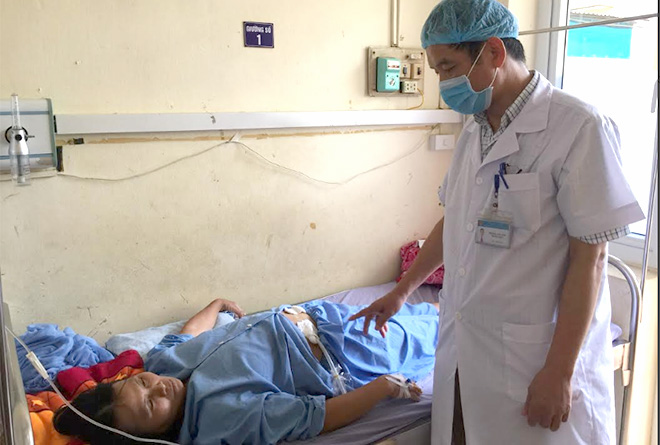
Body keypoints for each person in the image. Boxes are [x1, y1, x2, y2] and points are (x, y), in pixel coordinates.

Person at [350, 0, 645, 444]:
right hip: (467, 350)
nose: (443, 82)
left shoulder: (579, 127)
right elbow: (455, 222)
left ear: (492, 52)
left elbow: (593, 260)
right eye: (437, 69)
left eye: (448, 66)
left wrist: (558, 372)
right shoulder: (475, 128)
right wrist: (402, 291)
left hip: (534, 360)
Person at [53, 297, 440, 444]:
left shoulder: (161, 365)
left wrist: (215, 305)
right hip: (348, 355)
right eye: (152, 406)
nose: (160, 388)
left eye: (143, 384)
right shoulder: (222, 418)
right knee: (439, 332)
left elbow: (185, 336)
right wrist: (382, 388)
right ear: (156, 435)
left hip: (321, 315)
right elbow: (317, 418)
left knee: (419, 309)